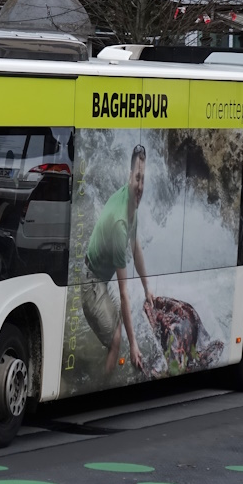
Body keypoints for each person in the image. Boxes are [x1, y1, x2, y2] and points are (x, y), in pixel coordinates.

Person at [82, 144, 155, 375]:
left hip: (98, 280)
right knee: (117, 340)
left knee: (118, 328)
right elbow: (124, 292)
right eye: (137, 178)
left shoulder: (130, 202)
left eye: (144, 179)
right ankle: (103, 385)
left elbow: (136, 248)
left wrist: (147, 289)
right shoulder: (119, 224)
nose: (140, 186)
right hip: (91, 284)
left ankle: (104, 371)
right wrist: (133, 345)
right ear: (129, 176)